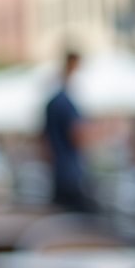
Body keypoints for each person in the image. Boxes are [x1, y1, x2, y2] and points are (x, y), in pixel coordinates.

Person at [43, 51, 95, 212]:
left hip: (59, 173)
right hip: (71, 175)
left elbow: (44, 142)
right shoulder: (64, 102)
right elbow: (77, 135)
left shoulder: (52, 102)